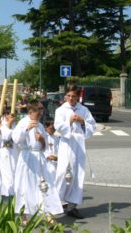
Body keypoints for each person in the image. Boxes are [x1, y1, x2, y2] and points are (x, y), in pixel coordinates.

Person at [12, 102, 63, 224]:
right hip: (27, 158)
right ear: (30, 113)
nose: (39, 116)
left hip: (39, 158)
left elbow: (44, 145)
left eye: (40, 115)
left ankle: (48, 215)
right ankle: (24, 216)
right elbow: (15, 139)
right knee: (25, 186)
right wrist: (26, 129)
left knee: (44, 185)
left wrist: (41, 140)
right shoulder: (23, 123)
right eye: (37, 114)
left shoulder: (40, 125)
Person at [54, 85, 96, 219]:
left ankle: (72, 205)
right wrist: (69, 121)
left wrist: (83, 121)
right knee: (62, 172)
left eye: (74, 96)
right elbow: (58, 125)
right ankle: (55, 202)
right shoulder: (61, 110)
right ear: (65, 96)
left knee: (77, 174)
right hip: (66, 143)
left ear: (78, 97)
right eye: (69, 96)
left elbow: (92, 125)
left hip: (78, 143)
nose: (71, 98)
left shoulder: (83, 109)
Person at [0, 110, 18, 198]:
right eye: (10, 115)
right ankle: (7, 194)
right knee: (7, 173)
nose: (13, 118)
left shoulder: (15, 125)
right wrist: (8, 123)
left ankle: (14, 192)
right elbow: (6, 137)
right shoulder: (1, 125)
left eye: (14, 116)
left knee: (14, 171)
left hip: (14, 151)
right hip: (5, 151)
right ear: (6, 115)